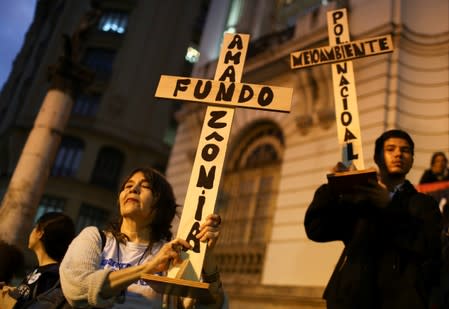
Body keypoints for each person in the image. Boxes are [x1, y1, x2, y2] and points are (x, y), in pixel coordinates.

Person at [304, 129, 442, 309]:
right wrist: (332, 188)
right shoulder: (360, 199)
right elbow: (317, 229)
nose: (398, 154)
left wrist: (390, 205)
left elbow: (431, 247)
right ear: (377, 158)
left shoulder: (425, 203)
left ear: (412, 161)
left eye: (405, 150)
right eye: (390, 149)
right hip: (349, 300)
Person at [60, 167, 225, 308]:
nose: (133, 189)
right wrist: (148, 268)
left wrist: (207, 256)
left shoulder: (172, 254)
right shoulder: (94, 238)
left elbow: (210, 305)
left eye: (144, 186)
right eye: (128, 186)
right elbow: (77, 289)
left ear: (160, 205)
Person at [0, 211, 75, 308]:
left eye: (35, 227)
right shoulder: (40, 271)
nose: (31, 232)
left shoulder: (51, 276)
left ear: (40, 233)